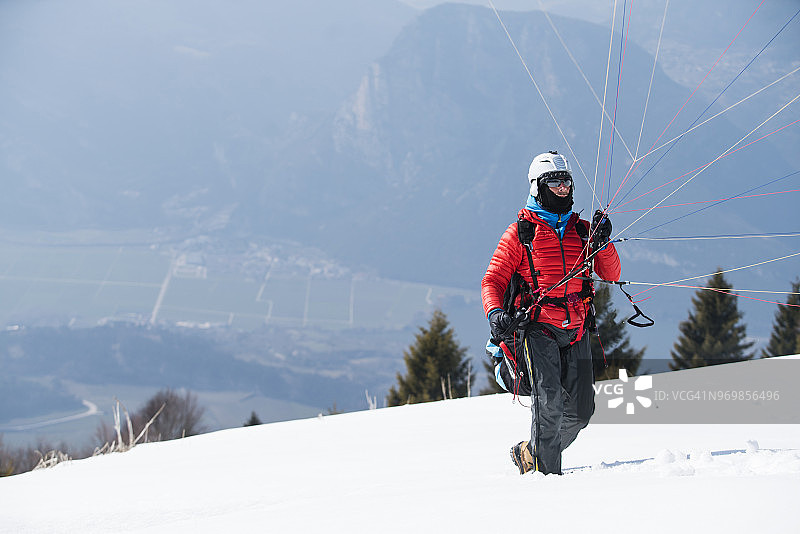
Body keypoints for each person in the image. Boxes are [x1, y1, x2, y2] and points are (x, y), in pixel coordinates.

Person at [481, 151, 621, 475]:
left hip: (578, 326)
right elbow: (493, 279)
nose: (563, 189)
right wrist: (495, 313)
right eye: (555, 183)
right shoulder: (520, 233)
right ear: (537, 187)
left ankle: (532, 451)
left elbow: (611, 274)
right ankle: (546, 483)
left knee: (582, 411)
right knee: (550, 404)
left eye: (567, 182)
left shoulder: (583, 231)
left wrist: (604, 242)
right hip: (538, 327)